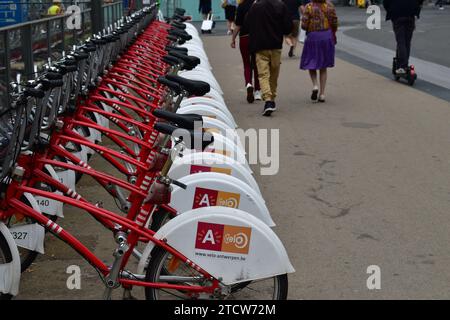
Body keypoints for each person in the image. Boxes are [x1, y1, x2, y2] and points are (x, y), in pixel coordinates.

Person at [247, 0, 292, 116]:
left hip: (260, 45)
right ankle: (271, 99)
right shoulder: (281, 5)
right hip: (276, 45)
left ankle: (268, 100)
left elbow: (247, 24)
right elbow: (288, 27)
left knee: (263, 75)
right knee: (274, 73)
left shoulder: (255, 7)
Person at [300, 0, 337, 103]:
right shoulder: (329, 5)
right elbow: (334, 21)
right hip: (326, 36)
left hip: (313, 36)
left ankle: (315, 85)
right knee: (323, 66)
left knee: (311, 61)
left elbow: (303, 25)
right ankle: (322, 94)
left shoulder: (309, 6)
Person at [231, 0, 262, 103]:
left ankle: (249, 83)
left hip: (244, 38)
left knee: (246, 64)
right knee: (257, 64)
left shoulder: (241, 6)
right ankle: (257, 91)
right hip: (256, 38)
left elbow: (238, 25)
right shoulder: (259, 5)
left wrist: (233, 39)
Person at [383, 0, 424, 75]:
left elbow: (386, 2)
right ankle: (404, 65)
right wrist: (417, 7)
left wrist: (391, 10)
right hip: (410, 14)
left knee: (401, 41)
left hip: (397, 14)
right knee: (407, 42)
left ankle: (402, 66)